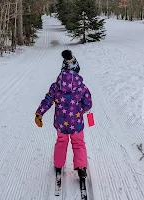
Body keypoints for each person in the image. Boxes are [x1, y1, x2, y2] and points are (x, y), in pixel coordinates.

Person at [34, 50, 92, 178]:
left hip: (61, 123)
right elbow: (88, 103)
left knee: (61, 142)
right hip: (76, 124)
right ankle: (81, 168)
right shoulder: (82, 87)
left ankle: (58, 165)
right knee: (78, 143)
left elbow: (48, 100)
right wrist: (81, 110)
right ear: (77, 69)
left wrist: (39, 113)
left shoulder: (55, 86)